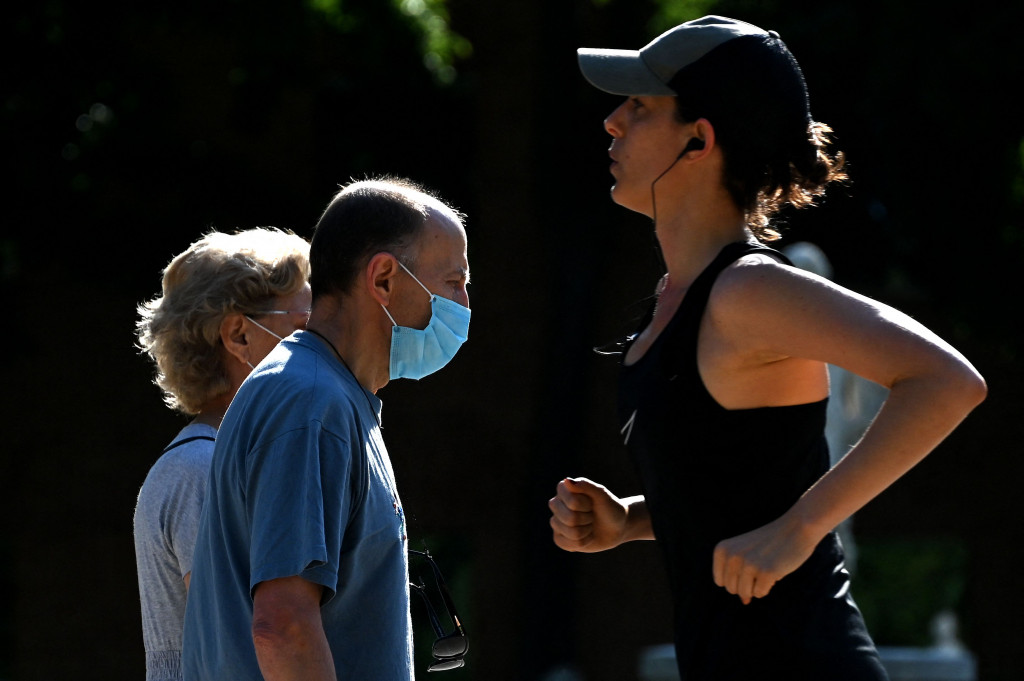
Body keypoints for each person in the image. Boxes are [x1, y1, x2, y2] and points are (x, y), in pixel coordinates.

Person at [547, 15, 986, 680]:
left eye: (639, 106)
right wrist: (633, 519)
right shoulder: (676, 296)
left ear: (698, 140)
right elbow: (742, 487)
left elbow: (948, 379)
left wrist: (805, 526)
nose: (612, 121)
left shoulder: (748, 291)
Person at [181, 177, 471, 681]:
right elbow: (283, 626)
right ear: (383, 278)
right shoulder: (310, 403)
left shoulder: (328, 395)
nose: (464, 306)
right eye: (452, 283)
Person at [133, 227, 312, 681]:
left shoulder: (219, 461)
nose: (322, 347)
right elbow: (235, 650)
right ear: (238, 335)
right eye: (303, 328)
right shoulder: (203, 469)